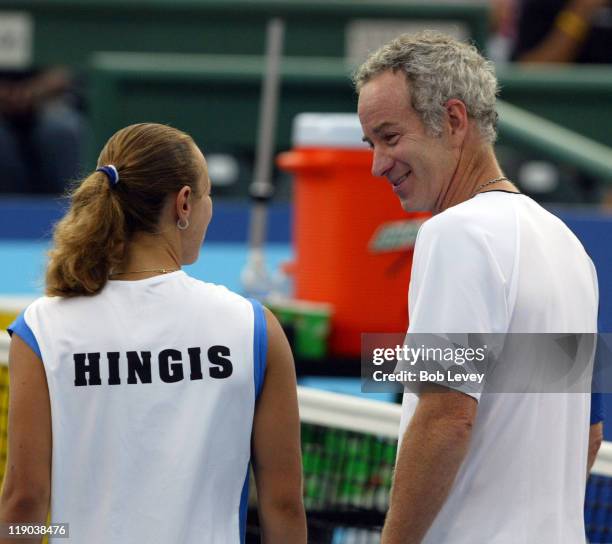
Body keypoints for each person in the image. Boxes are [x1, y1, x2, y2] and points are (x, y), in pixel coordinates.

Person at [0, 123, 307, 544]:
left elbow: (23, 505)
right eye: (206, 195)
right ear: (184, 203)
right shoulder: (252, 326)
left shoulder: (42, 327)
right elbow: (284, 504)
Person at [355, 31, 599, 543]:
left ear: (454, 120)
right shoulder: (569, 246)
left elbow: (446, 415)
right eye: (370, 143)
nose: (377, 165)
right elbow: (590, 434)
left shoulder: (456, 234)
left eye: (390, 137)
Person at [0, 67, 85, 194]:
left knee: (63, 129)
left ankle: (77, 202)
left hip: (46, 98)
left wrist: (35, 89)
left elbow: (63, 71)